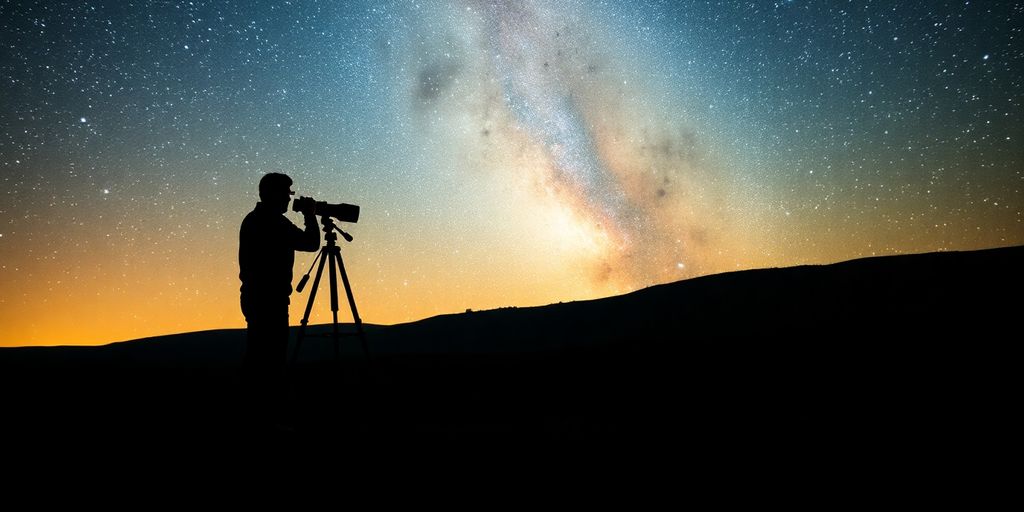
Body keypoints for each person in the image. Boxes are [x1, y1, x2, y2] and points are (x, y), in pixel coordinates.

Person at [238, 172, 320, 414]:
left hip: (256, 297)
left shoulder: (254, 219)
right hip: (270, 301)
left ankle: (254, 409)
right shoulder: (273, 222)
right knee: (271, 360)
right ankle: (269, 413)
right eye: (286, 193)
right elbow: (311, 243)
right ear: (273, 194)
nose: (288, 198)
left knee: (258, 357)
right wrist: (310, 216)